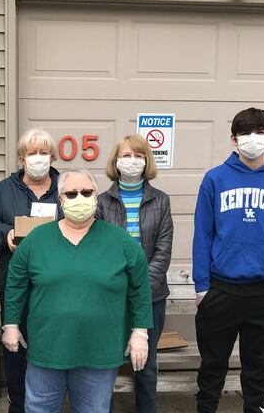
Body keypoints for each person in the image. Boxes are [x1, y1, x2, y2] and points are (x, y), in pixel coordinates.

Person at [1, 168, 153, 413]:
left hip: (99, 350)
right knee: (39, 408)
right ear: (60, 200)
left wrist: (140, 333)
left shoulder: (121, 241)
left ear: (96, 196)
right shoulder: (36, 240)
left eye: (86, 192)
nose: (79, 198)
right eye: (71, 194)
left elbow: (140, 288)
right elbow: (15, 283)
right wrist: (11, 325)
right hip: (47, 348)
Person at [192, 108, 264, 413]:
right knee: (212, 367)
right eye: (245, 133)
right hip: (221, 290)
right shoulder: (215, 179)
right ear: (233, 139)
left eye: (260, 132)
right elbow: (203, 234)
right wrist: (202, 288)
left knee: (258, 370)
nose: (253, 139)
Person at [0, 128, 62, 413]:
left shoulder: (66, 189)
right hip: (16, 283)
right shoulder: (2, 191)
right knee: (16, 347)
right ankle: (19, 405)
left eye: (43, 152)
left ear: (52, 156)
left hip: (58, 286)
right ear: (21, 158)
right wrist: (7, 235)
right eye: (32, 153)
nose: (38, 158)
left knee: (53, 344)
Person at [96, 134, 173, 413]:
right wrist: (119, 289)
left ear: (146, 161)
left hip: (152, 297)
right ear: (116, 162)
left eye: (138, 156)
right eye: (126, 155)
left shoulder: (161, 201)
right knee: (108, 364)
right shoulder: (101, 202)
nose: (132, 161)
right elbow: (100, 251)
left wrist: (140, 290)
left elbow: (163, 251)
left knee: (146, 365)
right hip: (113, 297)